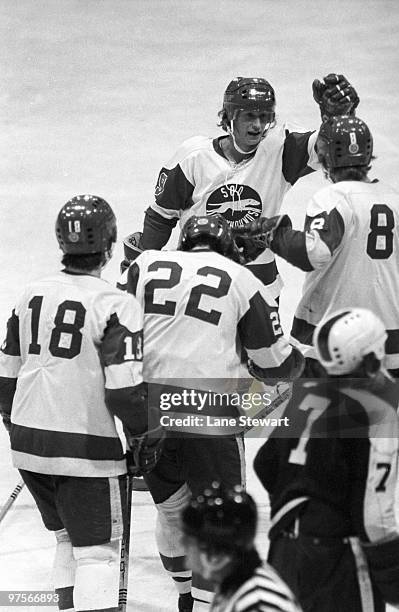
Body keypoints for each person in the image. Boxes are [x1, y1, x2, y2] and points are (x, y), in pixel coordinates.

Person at [120, 214, 304, 610]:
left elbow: (114, 333)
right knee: (218, 524)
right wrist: (296, 364)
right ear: (228, 248)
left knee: (171, 512)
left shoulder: (145, 264)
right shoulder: (241, 278)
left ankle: (186, 598)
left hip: (147, 411)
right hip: (209, 412)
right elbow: (273, 363)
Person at [0, 196, 149, 612]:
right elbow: (124, 391)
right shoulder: (117, 302)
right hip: (86, 449)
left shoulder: (31, 292)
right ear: (111, 244)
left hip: (28, 444)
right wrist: (143, 437)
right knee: (97, 553)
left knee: (67, 539)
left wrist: (16, 425)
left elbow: (5, 373)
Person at [121, 73, 359, 302]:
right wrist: (140, 271)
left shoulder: (281, 149)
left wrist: (336, 120)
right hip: (199, 280)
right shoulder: (193, 157)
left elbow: (330, 148)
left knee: (263, 345)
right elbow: (160, 218)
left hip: (257, 280)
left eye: (265, 116)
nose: (258, 125)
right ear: (229, 117)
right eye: (249, 116)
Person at [254, 308, 399, 612]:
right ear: (371, 357)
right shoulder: (377, 409)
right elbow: (376, 512)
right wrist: (391, 576)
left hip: (284, 549)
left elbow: (265, 463)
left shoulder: (306, 394)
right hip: (339, 557)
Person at [235, 115, 399, 376]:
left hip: (330, 336)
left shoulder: (334, 197)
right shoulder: (394, 198)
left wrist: (273, 234)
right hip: (390, 340)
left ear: (326, 158)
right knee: (377, 416)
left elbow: (315, 252)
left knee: (314, 415)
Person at [181, 481, 303, 612]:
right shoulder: (234, 585)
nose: (181, 542)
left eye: (189, 540)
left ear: (218, 555)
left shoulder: (258, 604)